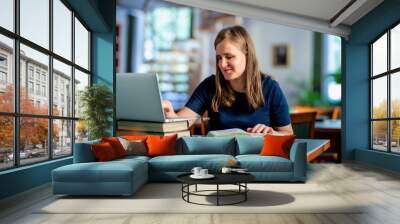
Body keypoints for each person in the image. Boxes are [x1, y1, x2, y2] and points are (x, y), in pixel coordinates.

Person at [162, 25, 293, 135]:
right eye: (219, 58)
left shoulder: (270, 88)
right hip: (217, 158)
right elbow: (180, 124)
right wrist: (170, 114)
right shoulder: (210, 86)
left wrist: (272, 133)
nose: (222, 64)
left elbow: (287, 134)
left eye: (229, 57)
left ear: (247, 55)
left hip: (257, 159)